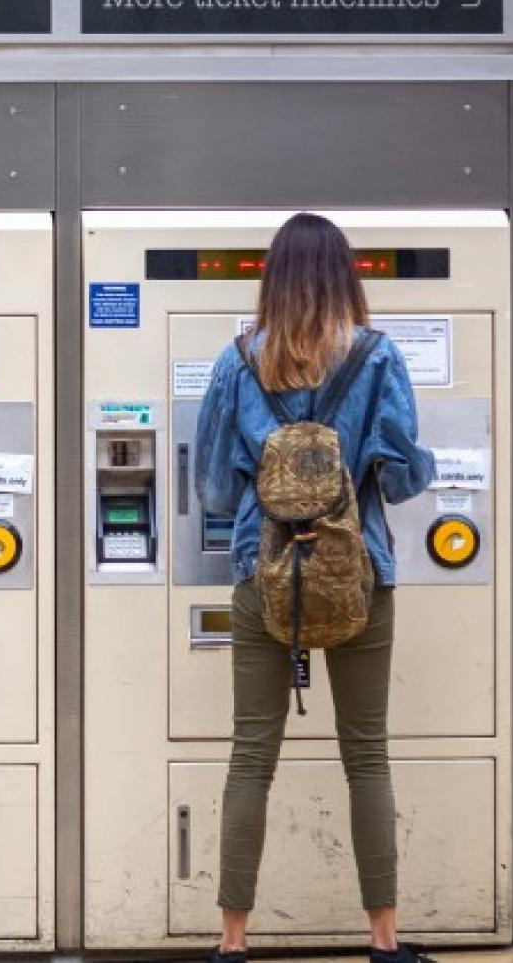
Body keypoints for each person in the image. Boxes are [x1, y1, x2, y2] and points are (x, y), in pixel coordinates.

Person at [192, 213, 436, 963]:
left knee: (249, 758)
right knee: (367, 755)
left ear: (273, 278)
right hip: (359, 575)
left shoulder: (237, 362)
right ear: (344, 277)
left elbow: (213, 488)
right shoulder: (377, 358)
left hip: (261, 578)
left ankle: (232, 943)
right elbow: (399, 478)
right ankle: (384, 941)